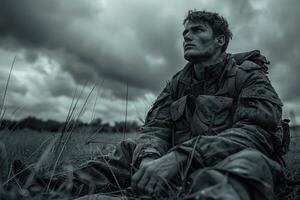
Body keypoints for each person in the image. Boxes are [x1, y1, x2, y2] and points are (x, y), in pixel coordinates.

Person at [6, 10, 286, 200]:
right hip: (173, 166)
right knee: (129, 150)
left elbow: (257, 134)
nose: (186, 36)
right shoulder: (177, 83)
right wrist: (151, 158)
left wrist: (180, 158)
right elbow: (156, 128)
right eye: (184, 32)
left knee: (250, 163)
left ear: (219, 40)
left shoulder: (249, 76)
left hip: (223, 162)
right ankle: (42, 186)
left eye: (197, 30)